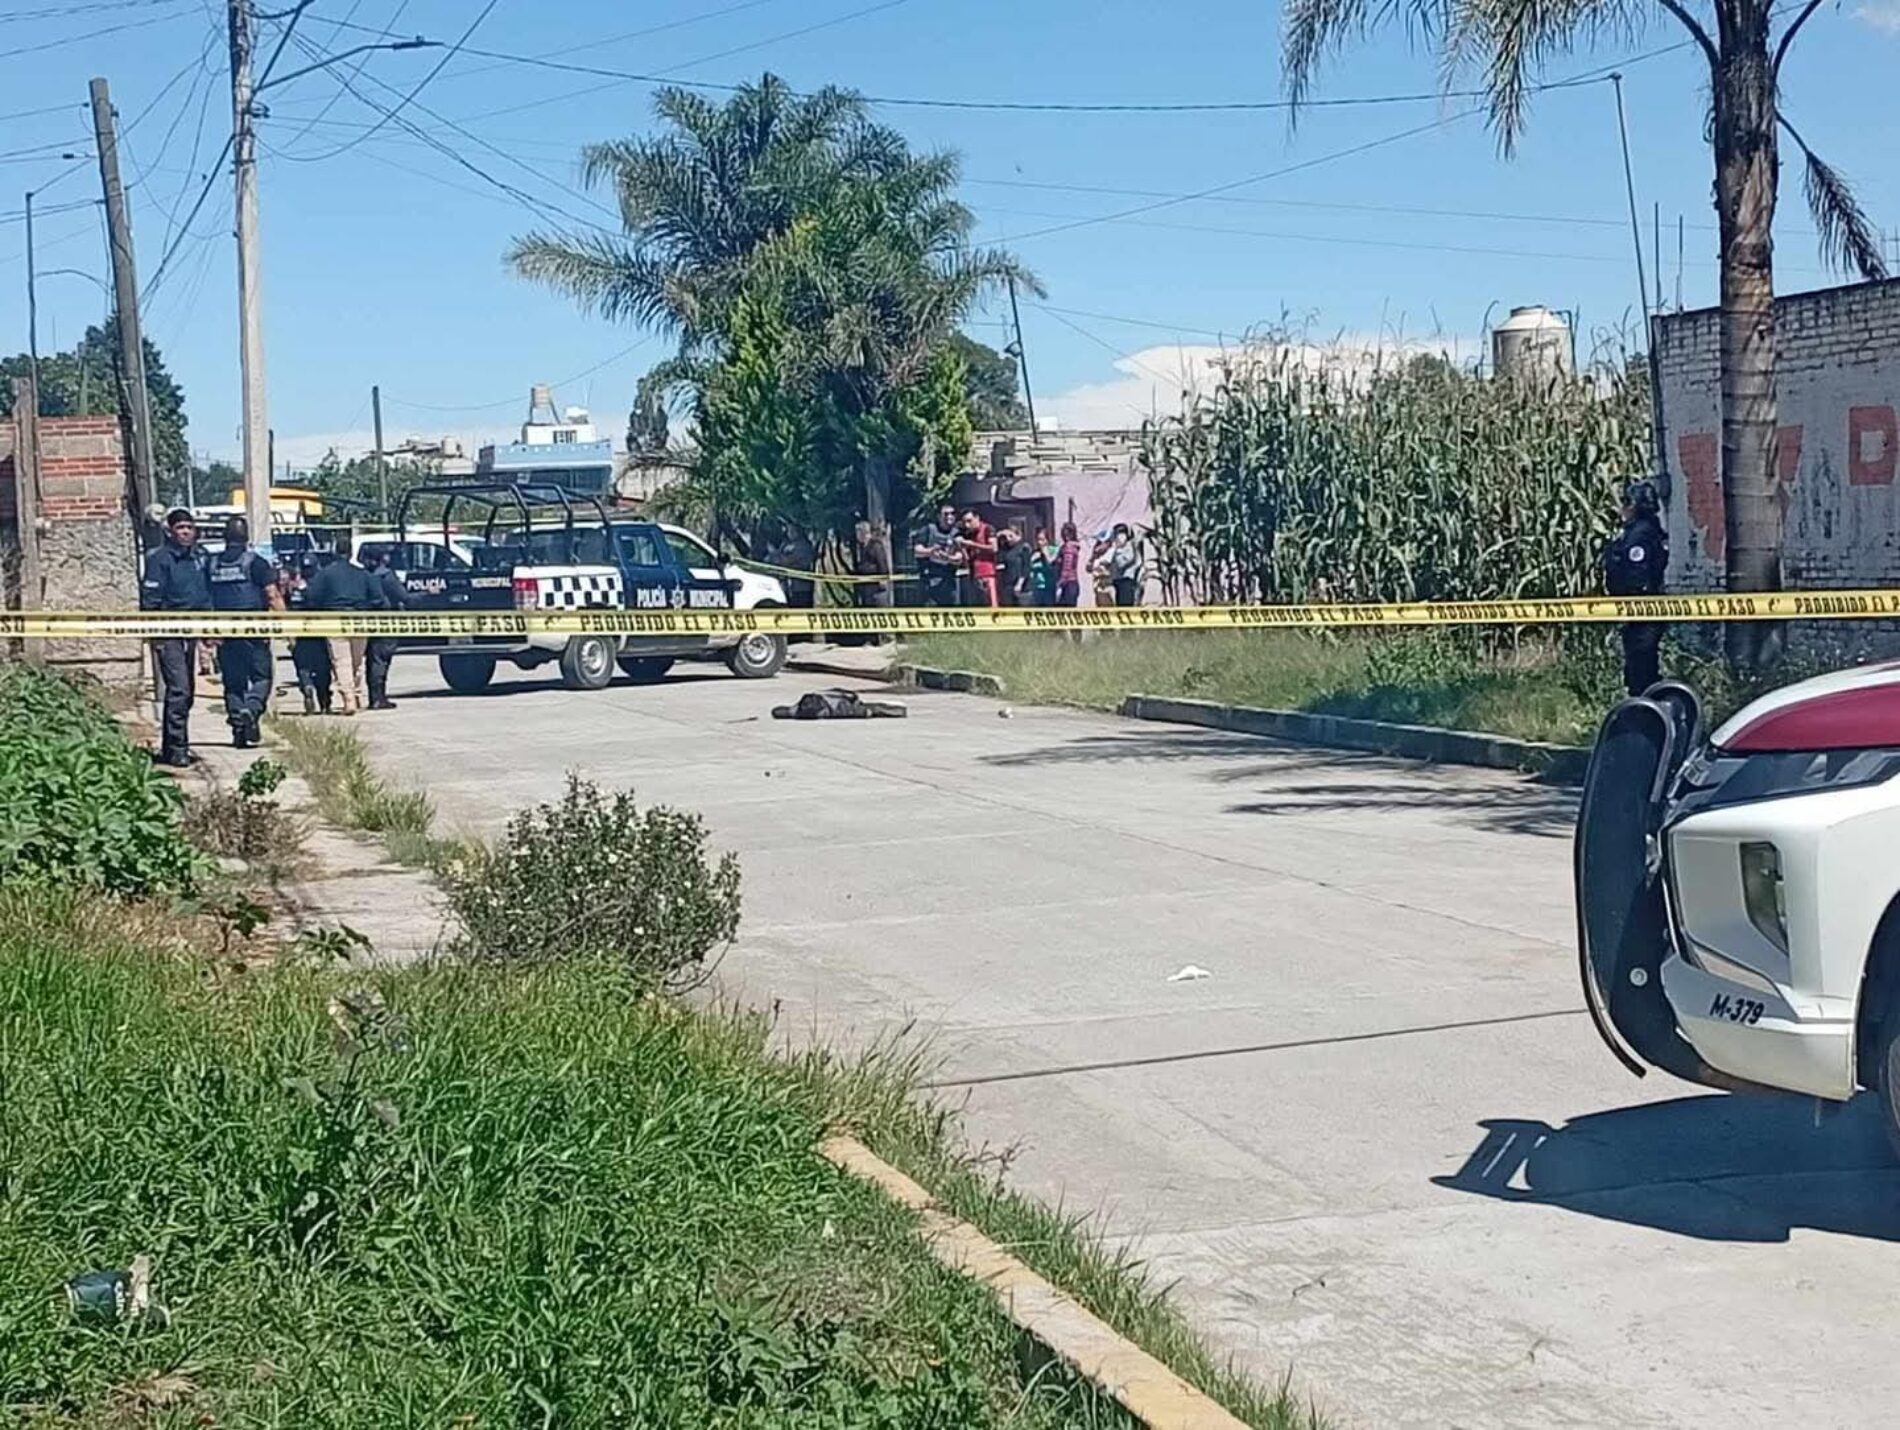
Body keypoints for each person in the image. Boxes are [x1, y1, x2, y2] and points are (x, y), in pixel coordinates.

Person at [139, 507, 212, 767]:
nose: (185, 532)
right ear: (170, 531)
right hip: (168, 631)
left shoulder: (199, 557)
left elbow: (204, 595)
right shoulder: (160, 559)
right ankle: (178, 748)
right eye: (180, 528)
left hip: (192, 631)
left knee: (187, 691)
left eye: (189, 527)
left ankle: (172, 747)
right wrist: (155, 634)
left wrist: (211, 630)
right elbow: (150, 599)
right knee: (179, 688)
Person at [207, 514, 284, 748]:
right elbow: (272, 595)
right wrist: (287, 626)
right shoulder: (257, 563)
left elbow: (207, 599)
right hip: (254, 631)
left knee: (233, 683)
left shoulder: (212, 564)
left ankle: (239, 731)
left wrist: (210, 632)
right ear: (247, 536)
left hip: (226, 633)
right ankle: (250, 710)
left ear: (224, 536)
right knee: (261, 678)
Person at [1604, 478, 1669, 695]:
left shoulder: (1640, 534)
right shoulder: (1650, 530)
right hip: (1642, 611)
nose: (1623, 508)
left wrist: (1628, 597)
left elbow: (1637, 574)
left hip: (1642, 611)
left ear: (1635, 505)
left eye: (1627, 502)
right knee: (1642, 666)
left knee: (1641, 670)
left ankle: (1645, 711)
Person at [305, 545, 388, 715]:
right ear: (352, 553)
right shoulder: (364, 574)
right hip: (359, 618)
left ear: (335, 552)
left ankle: (349, 698)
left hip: (334, 618)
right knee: (357, 661)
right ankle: (355, 695)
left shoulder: (325, 574)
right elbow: (378, 598)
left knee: (341, 660)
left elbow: (312, 598)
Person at [286, 558, 333, 714]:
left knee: (303, 666)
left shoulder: (295, 589)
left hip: (300, 632)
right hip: (320, 632)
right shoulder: (321, 587)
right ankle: (325, 701)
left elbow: (289, 609)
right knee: (323, 668)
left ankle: (306, 686)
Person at [364, 547, 408, 710]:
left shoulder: (364, 575)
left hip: (368, 622)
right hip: (387, 622)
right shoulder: (387, 577)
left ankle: (374, 696)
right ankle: (378, 698)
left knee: (372, 660)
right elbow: (403, 597)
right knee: (381, 660)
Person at [911, 503, 965, 607]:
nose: (949, 516)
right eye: (946, 514)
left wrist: (948, 558)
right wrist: (931, 551)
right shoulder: (928, 530)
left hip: (948, 581)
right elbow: (917, 550)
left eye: (952, 514)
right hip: (929, 579)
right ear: (939, 516)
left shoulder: (957, 534)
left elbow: (959, 558)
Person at [959, 510, 999, 608]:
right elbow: (967, 558)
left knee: (991, 604)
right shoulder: (969, 534)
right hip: (974, 574)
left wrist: (973, 544)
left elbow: (994, 548)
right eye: (965, 522)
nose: (967, 525)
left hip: (987, 573)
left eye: (969, 521)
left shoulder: (987, 529)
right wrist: (962, 547)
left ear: (977, 518)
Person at [998, 527, 1033, 607]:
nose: (1008, 539)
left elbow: (1026, 567)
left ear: (1018, 535)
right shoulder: (1006, 548)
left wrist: (1019, 583)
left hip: (1021, 584)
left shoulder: (1024, 547)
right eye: (1006, 537)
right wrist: (1000, 534)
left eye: (1011, 536)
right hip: (1008, 584)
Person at [1054, 522, 1083, 608]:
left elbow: (1067, 567)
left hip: (1067, 584)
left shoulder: (1068, 547)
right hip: (1072, 584)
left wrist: (1059, 583)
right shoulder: (1072, 546)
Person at [1029, 527, 1059, 606]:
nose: (1039, 542)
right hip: (1037, 588)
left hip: (1048, 587)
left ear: (1047, 540)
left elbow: (1051, 565)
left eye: (1042, 540)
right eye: (1038, 540)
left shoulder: (1053, 550)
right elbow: (1031, 569)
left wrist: (1045, 554)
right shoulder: (1035, 553)